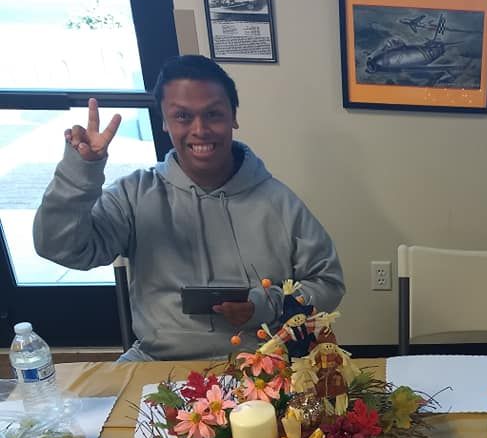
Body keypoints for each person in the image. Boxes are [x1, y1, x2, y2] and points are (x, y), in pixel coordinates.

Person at [33, 55, 344, 361]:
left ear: (233, 117)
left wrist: (265, 305)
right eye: (183, 117)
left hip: (262, 363)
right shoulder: (135, 194)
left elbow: (327, 282)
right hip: (157, 361)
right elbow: (61, 248)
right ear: (165, 122)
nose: (200, 129)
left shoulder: (279, 201)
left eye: (213, 115)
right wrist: (81, 171)